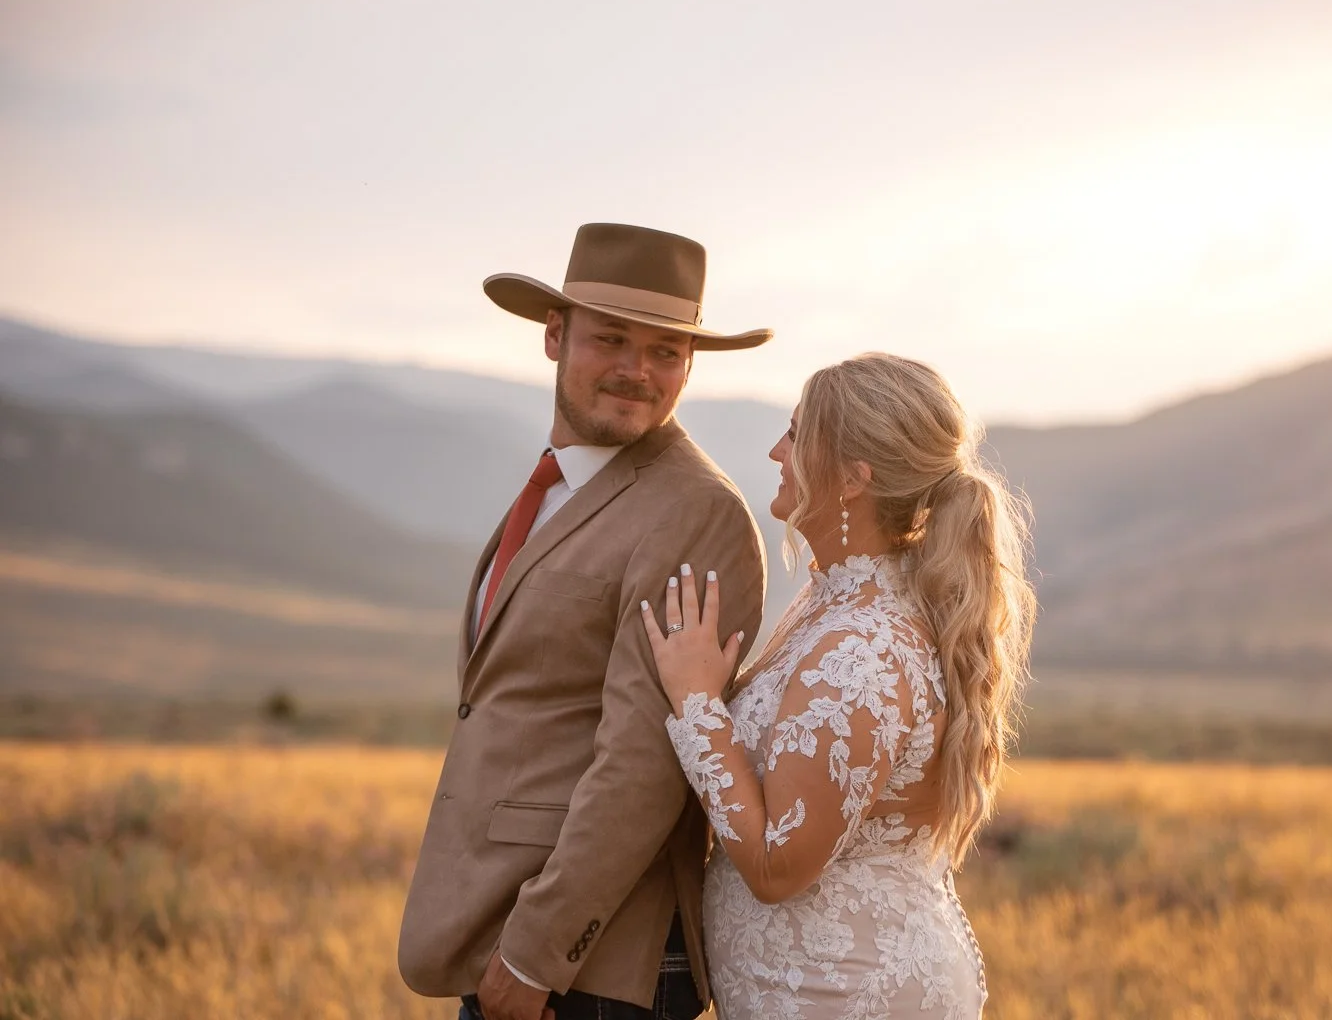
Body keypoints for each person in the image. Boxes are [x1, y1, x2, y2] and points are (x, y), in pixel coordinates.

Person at [398, 223, 772, 1020]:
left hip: (592, 967)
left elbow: (646, 761)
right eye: (612, 340)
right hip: (498, 925)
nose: (638, 371)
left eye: (667, 352)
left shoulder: (694, 511)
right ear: (555, 336)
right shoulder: (559, 487)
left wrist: (538, 953)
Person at [640, 353, 1037, 1019]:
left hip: (847, 994)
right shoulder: (833, 602)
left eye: (796, 435)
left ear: (854, 477)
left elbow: (776, 865)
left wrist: (697, 703)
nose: (776, 450)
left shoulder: (862, 650)